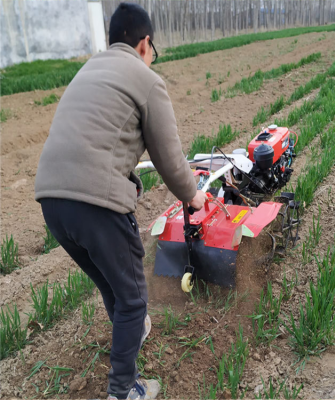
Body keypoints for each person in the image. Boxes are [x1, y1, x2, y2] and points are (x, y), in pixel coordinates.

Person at [34, 3, 207, 399]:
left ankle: (132, 332)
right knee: (132, 299)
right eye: (153, 50)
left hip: (52, 202)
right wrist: (194, 196)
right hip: (97, 201)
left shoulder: (90, 69)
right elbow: (169, 158)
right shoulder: (145, 80)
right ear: (145, 43)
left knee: (115, 288)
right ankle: (124, 390)